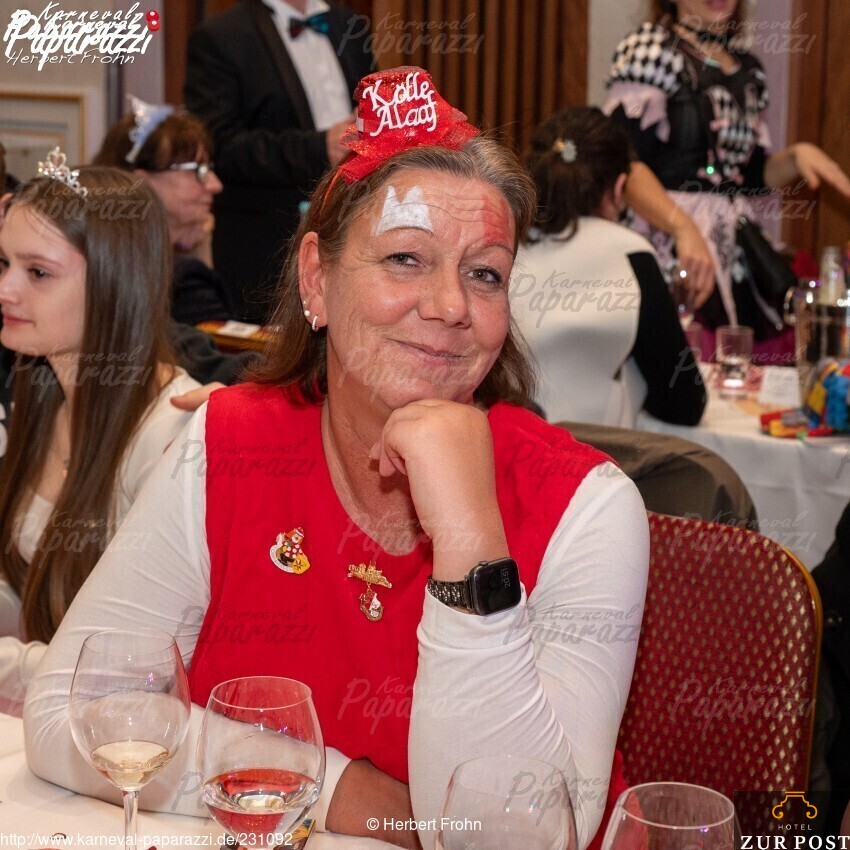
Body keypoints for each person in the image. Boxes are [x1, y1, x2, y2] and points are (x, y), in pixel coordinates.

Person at [25, 69, 649, 850]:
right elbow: (67, 717)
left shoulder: (587, 507)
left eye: (484, 273)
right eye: (406, 259)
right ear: (317, 279)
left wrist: (469, 538)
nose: (451, 306)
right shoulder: (229, 445)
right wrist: (349, 791)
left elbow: (511, 838)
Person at [0, 158, 199, 714]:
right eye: (4, 262)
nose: (6, 289)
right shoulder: (40, 391)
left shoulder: (172, 431)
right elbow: (20, 582)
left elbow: (135, 669)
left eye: (38, 273)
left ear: (114, 283)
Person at [604, 0, 850, 344]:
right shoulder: (649, 51)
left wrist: (796, 158)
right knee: (680, 353)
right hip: (665, 237)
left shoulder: (747, 69)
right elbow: (621, 163)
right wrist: (683, 228)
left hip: (730, 244)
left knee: (743, 353)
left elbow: (749, 177)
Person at [513, 106, 707, 427]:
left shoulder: (503, 242)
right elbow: (683, 404)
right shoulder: (630, 254)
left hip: (498, 445)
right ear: (619, 188)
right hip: (591, 453)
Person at [184, 0, 375, 323]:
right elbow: (221, 147)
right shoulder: (221, 35)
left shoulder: (350, 25)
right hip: (265, 245)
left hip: (351, 226)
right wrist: (319, 147)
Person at [93, 100, 259, 386]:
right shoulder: (173, 280)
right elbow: (216, 362)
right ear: (141, 184)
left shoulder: (112, 257)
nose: (215, 184)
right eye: (198, 171)